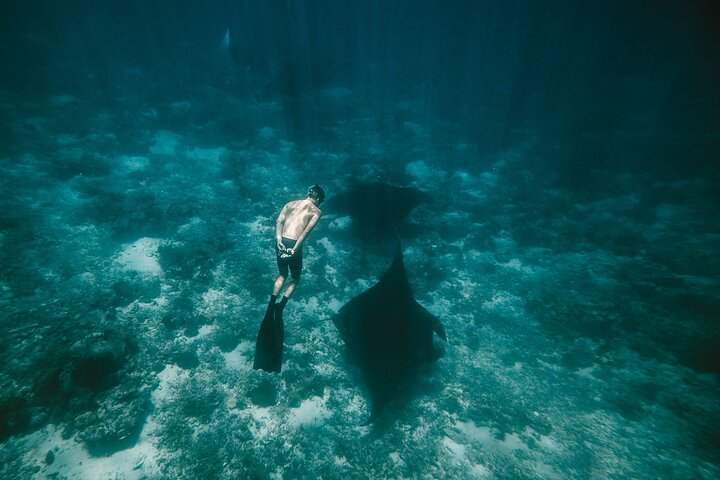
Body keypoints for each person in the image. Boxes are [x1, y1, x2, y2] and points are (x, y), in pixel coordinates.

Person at [269, 184, 325, 313]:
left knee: (282, 274)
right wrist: (294, 248)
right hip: (294, 244)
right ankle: (281, 305)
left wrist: (278, 240)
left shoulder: (290, 204)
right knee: (295, 278)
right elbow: (306, 232)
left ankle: (271, 303)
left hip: (281, 240)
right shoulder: (316, 211)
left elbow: (279, 222)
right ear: (318, 199)